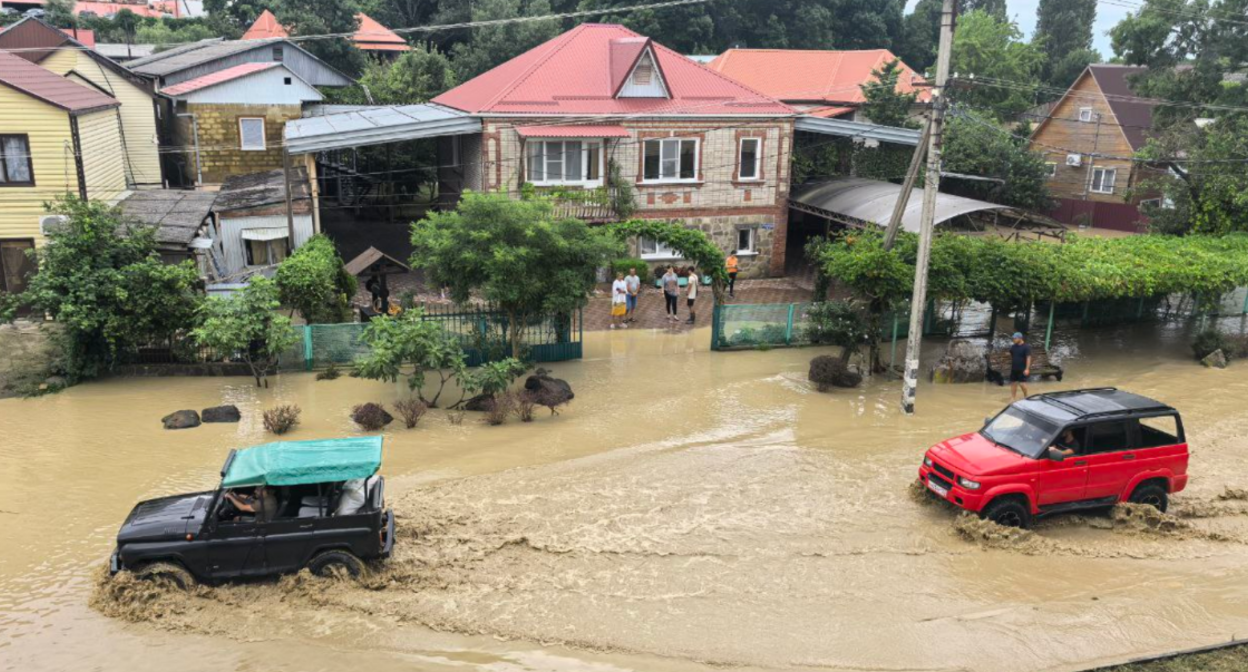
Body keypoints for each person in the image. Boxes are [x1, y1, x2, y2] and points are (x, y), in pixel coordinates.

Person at [1009, 332, 1032, 400]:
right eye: (1013, 338)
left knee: (1022, 384)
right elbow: (1012, 355)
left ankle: (1026, 395)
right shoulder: (1013, 346)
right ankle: (1013, 397)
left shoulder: (1026, 347)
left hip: (1022, 369)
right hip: (1014, 368)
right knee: (1013, 383)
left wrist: (1027, 369)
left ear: (1020, 338)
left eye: (1015, 338)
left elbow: (1028, 358)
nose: (1013, 340)